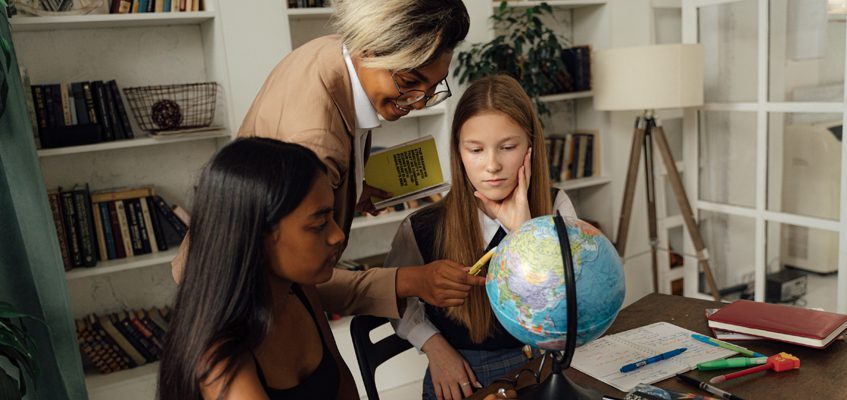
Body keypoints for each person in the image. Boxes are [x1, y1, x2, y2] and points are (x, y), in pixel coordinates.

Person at [172, 0, 483, 309]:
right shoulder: (316, 144)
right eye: (410, 82)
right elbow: (292, 276)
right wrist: (412, 281)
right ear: (369, 48)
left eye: (432, 89)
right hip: (239, 302)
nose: (418, 102)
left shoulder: (333, 51)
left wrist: (352, 190)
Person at [159, 138, 425, 400]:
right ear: (255, 237)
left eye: (332, 216)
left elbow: (342, 383)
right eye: (319, 224)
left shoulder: (301, 291)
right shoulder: (218, 357)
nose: (337, 236)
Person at [385, 75, 578, 400]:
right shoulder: (421, 226)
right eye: (475, 149)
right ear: (458, 152)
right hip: (460, 373)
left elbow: (571, 304)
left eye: (508, 147)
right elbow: (393, 298)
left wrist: (524, 231)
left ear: (530, 147)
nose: (492, 165)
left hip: (545, 364)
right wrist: (433, 346)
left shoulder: (556, 205)